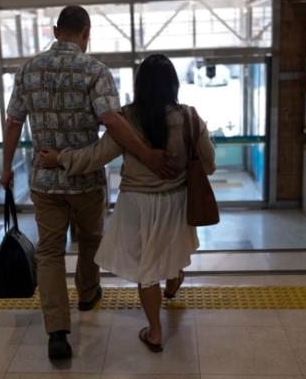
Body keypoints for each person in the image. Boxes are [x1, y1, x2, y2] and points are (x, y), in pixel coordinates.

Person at [0, 6, 177, 360]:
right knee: (89, 240)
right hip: (85, 181)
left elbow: (13, 123)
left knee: (49, 253)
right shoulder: (95, 71)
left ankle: (57, 332)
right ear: (86, 32)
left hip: (44, 180)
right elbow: (111, 120)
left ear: (55, 31)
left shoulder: (27, 71)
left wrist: (6, 169)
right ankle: (87, 292)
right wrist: (146, 153)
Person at [39, 54, 216, 352]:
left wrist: (59, 159)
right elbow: (208, 165)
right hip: (175, 202)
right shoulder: (190, 118)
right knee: (170, 251)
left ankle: (155, 333)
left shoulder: (127, 119)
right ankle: (173, 284)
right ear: (173, 84)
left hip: (137, 205)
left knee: (147, 267)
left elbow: (95, 156)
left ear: (139, 85)